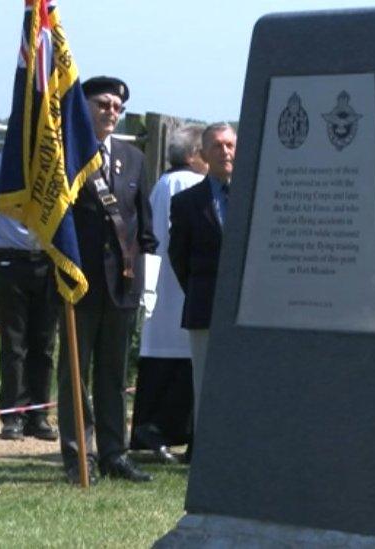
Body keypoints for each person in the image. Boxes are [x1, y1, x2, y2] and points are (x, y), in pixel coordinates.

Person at [56, 76, 157, 484]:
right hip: (78, 283)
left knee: (114, 375)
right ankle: (79, 456)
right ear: (83, 107)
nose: (111, 112)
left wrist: (146, 286)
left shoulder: (133, 159)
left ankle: (115, 453)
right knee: (75, 375)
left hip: (123, 284)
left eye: (117, 106)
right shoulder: (65, 156)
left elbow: (145, 229)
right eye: (103, 104)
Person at [130, 125, 207, 464]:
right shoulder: (189, 185)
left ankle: (154, 430)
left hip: (163, 286)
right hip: (180, 285)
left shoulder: (162, 183)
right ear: (193, 155)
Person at [0, 153, 60, 441]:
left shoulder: (54, 163)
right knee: (13, 343)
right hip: (11, 261)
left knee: (44, 343)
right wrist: (5, 246)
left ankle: (38, 414)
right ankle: (12, 414)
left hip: (47, 261)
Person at [168, 122, 236, 435]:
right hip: (205, 305)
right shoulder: (186, 202)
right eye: (217, 146)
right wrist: (201, 289)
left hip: (250, 309)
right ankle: (206, 450)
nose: (225, 151)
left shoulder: (260, 197)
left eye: (230, 145)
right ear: (203, 154)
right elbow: (178, 258)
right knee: (205, 382)